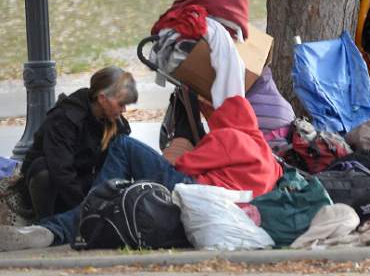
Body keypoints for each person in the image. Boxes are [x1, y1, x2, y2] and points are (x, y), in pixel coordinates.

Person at [0, 94, 281, 252]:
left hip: (197, 189)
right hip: (229, 206)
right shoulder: (267, 154)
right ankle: (61, 224)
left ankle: (55, 226)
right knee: (118, 190)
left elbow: (185, 166)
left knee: (123, 146)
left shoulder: (231, 137)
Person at [14, 67, 137, 219]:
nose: (124, 109)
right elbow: (61, 171)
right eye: (120, 104)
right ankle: (45, 222)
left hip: (81, 187)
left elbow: (116, 166)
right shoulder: (65, 118)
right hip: (54, 189)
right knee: (43, 170)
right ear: (102, 98)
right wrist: (85, 210)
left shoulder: (115, 123)